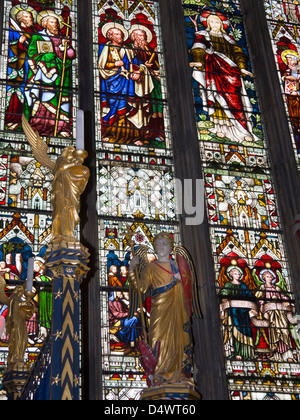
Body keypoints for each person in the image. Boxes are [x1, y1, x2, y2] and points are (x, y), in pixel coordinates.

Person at [129, 232, 193, 385]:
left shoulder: (177, 267)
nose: (161, 247)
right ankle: (159, 375)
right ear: (155, 248)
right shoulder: (151, 268)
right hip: (159, 310)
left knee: (177, 339)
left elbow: (189, 290)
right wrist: (132, 270)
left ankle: (178, 376)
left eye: (165, 244)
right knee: (158, 339)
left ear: (171, 247)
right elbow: (141, 288)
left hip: (177, 309)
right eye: (158, 244)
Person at [189, 12, 260, 145]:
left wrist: (243, 68)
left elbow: (239, 53)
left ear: (222, 24)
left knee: (236, 101)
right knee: (217, 99)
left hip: (231, 74)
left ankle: (242, 131)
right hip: (213, 71)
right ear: (208, 24)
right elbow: (198, 48)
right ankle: (220, 128)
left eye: (217, 22)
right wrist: (198, 61)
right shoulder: (203, 35)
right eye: (211, 22)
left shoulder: (228, 39)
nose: (214, 24)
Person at [98, 23, 154, 145]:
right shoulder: (105, 48)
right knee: (113, 109)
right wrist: (114, 65)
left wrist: (139, 71)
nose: (121, 36)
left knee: (130, 107)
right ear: (110, 36)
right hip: (111, 84)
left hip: (128, 84)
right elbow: (101, 66)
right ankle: (109, 134)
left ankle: (135, 137)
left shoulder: (128, 49)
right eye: (117, 34)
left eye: (121, 34)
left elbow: (137, 63)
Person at [24, 10, 76, 137]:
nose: (56, 25)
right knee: (44, 98)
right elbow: (31, 54)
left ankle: (62, 126)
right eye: (52, 22)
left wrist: (66, 48)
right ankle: (38, 125)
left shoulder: (62, 39)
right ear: (45, 24)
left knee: (62, 100)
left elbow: (71, 56)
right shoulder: (38, 36)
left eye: (57, 23)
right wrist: (48, 56)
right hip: (44, 75)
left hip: (62, 75)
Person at [6, 6, 38, 131]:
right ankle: (10, 120)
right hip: (12, 69)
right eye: (27, 16)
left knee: (23, 94)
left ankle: (21, 120)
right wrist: (19, 42)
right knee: (12, 93)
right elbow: (6, 47)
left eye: (30, 16)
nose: (30, 18)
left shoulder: (32, 34)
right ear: (20, 19)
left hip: (26, 69)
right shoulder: (12, 30)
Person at [219, 266, 256, 360]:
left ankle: (249, 354)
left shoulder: (243, 285)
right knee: (236, 330)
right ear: (231, 275)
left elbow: (250, 295)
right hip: (234, 311)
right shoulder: (228, 285)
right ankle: (237, 352)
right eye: (235, 273)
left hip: (244, 312)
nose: (238, 275)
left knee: (247, 331)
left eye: (239, 274)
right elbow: (223, 293)